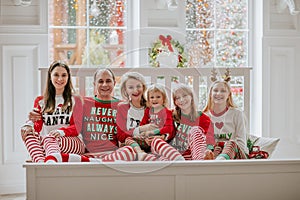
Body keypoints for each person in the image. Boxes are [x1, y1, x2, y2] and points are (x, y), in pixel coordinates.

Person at [28, 68, 137, 162]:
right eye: (100, 81)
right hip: (87, 153)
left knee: (130, 151)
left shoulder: (121, 105)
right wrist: (36, 115)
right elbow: (72, 123)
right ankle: (89, 160)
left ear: (114, 83)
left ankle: (95, 161)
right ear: (94, 84)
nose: (104, 85)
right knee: (52, 143)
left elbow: (122, 136)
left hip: (111, 153)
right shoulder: (83, 102)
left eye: (108, 81)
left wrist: (138, 132)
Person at [20, 61, 85, 163]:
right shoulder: (40, 101)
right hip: (47, 142)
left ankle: (50, 162)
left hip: (71, 141)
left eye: (64, 75)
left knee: (50, 139)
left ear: (68, 77)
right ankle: (41, 163)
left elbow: (77, 127)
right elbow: (37, 127)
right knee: (29, 135)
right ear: (50, 77)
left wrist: (61, 132)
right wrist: (29, 124)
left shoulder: (75, 99)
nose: (60, 79)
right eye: (56, 75)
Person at [116, 72, 184, 161]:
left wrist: (162, 137)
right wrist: (142, 129)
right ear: (125, 90)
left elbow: (171, 129)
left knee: (158, 144)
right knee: (125, 150)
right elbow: (121, 136)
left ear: (143, 87)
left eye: (138, 86)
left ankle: (176, 162)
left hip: (153, 144)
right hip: (135, 147)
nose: (135, 90)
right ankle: (146, 157)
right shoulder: (122, 108)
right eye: (131, 87)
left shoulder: (153, 106)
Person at [203, 74, 248, 160]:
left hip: (236, 155)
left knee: (231, 143)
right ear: (210, 94)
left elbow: (242, 144)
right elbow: (203, 143)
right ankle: (218, 161)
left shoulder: (237, 114)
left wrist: (224, 148)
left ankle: (220, 162)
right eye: (215, 90)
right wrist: (212, 150)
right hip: (215, 154)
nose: (218, 93)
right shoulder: (204, 116)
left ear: (228, 95)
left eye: (223, 91)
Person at [169, 83, 215, 160]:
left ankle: (199, 162)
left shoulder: (203, 118)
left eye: (184, 96)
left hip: (195, 154)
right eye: (177, 98)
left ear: (191, 96)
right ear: (175, 102)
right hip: (177, 154)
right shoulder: (171, 115)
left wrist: (208, 150)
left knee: (195, 130)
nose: (181, 100)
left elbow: (209, 138)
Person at [125, 84, 174, 154]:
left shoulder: (166, 112)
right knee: (128, 139)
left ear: (163, 99)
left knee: (157, 144)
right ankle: (139, 152)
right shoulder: (148, 110)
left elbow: (169, 128)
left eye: (158, 97)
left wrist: (153, 132)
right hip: (147, 138)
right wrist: (142, 134)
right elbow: (143, 124)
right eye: (152, 97)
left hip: (159, 138)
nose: (155, 99)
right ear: (148, 100)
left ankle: (151, 152)